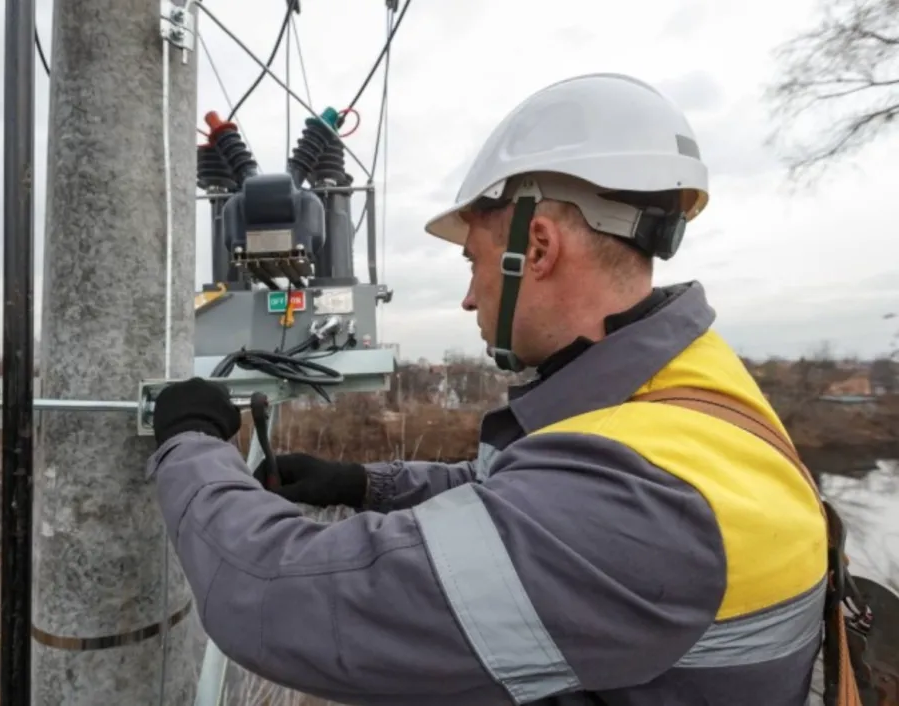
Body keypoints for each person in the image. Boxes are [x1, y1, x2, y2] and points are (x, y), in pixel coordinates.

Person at [148, 73, 828, 705]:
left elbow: (274, 596)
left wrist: (190, 442)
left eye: (473, 264)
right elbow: (514, 500)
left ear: (537, 246)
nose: (471, 299)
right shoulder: (691, 388)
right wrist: (360, 482)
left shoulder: (641, 506)